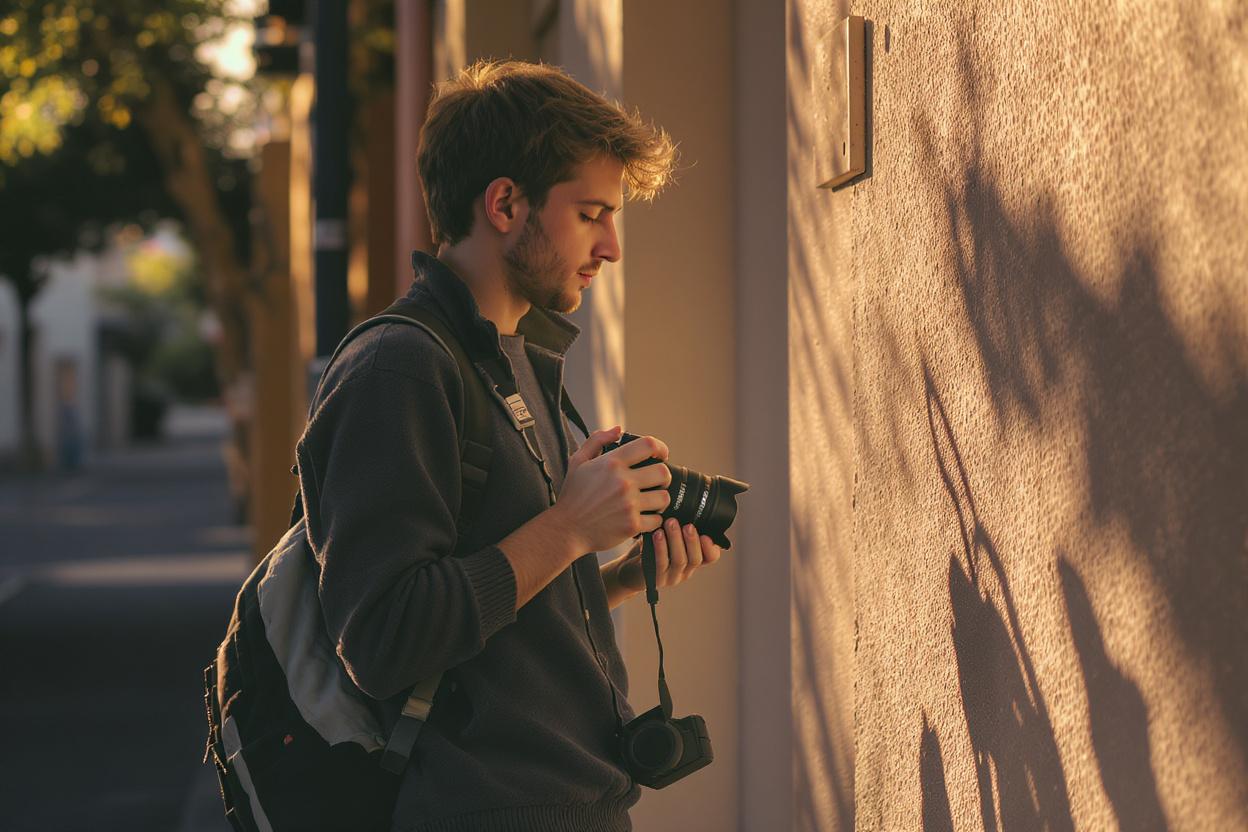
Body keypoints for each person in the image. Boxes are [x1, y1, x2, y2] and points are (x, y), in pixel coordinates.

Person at [296, 60, 724, 831]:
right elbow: (385, 639)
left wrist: (613, 578)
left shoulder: (512, 357)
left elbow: (486, 619)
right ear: (504, 204)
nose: (612, 246)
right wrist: (569, 529)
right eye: (591, 214)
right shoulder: (399, 368)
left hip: (575, 803)